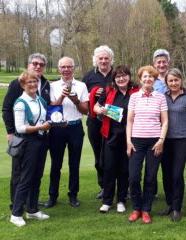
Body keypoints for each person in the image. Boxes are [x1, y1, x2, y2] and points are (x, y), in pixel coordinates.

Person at [2, 53, 50, 210]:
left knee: (35, 173)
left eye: (41, 64)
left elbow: (47, 107)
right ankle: (16, 204)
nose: (38, 66)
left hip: (40, 137)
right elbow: (7, 108)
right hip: (22, 135)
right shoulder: (18, 84)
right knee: (19, 173)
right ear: (28, 64)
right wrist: (10, 132)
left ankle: (31, 205)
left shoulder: (45, 84)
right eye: (35, 63)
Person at [42, 57, 89, 208]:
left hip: (75, 127)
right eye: (63, 67)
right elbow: (52, 108)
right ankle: (52, 196)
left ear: (74, 68)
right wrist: (63, 95)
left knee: (74, 164)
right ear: (58, 69)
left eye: (69, 67)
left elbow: (86, 110)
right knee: (56, 165)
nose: (66, 70)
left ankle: (73, 195)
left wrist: (75, 100)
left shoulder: (81, 86)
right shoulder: (53, 86)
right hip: (57, 129)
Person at [93, 65, 139, 213]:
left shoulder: (137, 92)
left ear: (129, 77)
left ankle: (121, 200)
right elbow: (95, 106)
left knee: (124, 170)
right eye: (118, 76)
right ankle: (107, 201)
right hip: (111, 136)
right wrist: (100, 110)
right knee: (109, 169)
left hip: (130, 138)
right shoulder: (109, 91)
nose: (121, 78)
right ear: (114, 79)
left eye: (124, 75)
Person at [126, 65, 168, 223]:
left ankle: (145, 210)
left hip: (154, 142)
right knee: (134, 177)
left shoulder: (160, 97)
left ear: (155, 79)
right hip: (136, 140)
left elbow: (165, 121)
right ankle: (136, 208)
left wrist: (161, 141)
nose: (148, 79)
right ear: (140, 79)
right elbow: (129, 121)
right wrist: (128, 141)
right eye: (145, 76)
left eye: (151, 76)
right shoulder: (134, 97)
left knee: (150, 177)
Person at [10, 70, 51, 227]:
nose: (33, 84)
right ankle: (16, 213)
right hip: (28, 143)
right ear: (22, 85)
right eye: (29, 82)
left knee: (37, 176)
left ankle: (32, 209)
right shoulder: (21, 103)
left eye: (35, 81)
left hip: (41, 140)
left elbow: (45, 118)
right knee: (26, 177)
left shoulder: (40, 100)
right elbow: (20, 128)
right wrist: (41, 126)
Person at [159, 68, 186, 222]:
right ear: (167, 82)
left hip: (181, 140)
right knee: (166, 174)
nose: (173, 83)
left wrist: (184, 126)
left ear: (181, 81)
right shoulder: (163, 98)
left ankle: (177, 208)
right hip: (165, 140)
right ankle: (169, 204)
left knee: (176, 175)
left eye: (176, 80)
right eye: (170, 80)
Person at [82, 45, 114, 199]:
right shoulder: (88, 77)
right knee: (99, 157)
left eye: (106, 58)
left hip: (115, 124)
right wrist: (92, 93)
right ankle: (103, 187)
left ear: (111, 60)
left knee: (119, 156)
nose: (103, 61)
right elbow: (82, 99)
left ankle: (123, 187)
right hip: (95, 123)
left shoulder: (118, 74)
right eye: (100, 58)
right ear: (96, 60)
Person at [152, 48, 170, 200]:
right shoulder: (151, 81)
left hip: (173, 127)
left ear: (168, 63)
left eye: (164, 62)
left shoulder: (173, 78)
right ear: (154, 64)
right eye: (159, 62)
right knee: (153, 161)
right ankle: (153, 191)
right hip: (155, 127)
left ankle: (169, 191)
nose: (161, 64)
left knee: (168, 162)